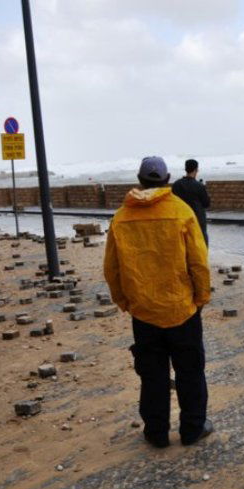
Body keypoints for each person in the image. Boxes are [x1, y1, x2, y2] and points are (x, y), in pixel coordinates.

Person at [104, 155, 213, 448]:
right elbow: (199, 262)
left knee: (152, 375)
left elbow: (111, 269)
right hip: (182, 309)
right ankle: (192, 429)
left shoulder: (121, 217)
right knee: (190, 372)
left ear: (140, 181)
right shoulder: (181, 212)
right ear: (167, 181)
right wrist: (201, 297)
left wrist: (125, 301)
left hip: (144, 312)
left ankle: (156, 432)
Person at [172, 159, 210, 245]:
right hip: (197, 219)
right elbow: (206, 203)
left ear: (185, 169)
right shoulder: (199, 186)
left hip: (181, 218)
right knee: (200, 244)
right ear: (196, 170)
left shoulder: (176, 184)